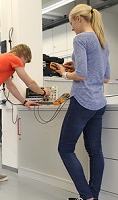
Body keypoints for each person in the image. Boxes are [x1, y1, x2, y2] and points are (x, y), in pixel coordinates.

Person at [0, 44, 51, 190]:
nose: (24, 65)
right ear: (23, 55)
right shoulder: (13, 58)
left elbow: (10, 86)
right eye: (26, 61)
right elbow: (29, 82)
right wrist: (43, 92)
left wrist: (25, 101)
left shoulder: (4, 60)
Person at [54, 4, 110, 200]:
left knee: (65, 148)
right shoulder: (103, 41)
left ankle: (87, 196)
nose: (71, 28)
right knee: (95, 151)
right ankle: (92, 196)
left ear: (78, 18)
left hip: (82, 102)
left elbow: (82, 75)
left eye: (71, 23)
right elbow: (105, 78)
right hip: (98, 104)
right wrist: (76, 65)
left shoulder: (81, 39)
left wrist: (64, 72)